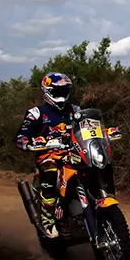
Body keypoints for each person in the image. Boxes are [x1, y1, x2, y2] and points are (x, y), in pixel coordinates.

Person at [15, 71, 120, 238]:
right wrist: (28, 142)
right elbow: (21, 136)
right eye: (57, 91)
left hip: (74, 152)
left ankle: (104, 201)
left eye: (64, 91)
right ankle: (48, 219)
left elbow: (89, 127)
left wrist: (105, 131)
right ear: (47, 91)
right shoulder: (36, 113)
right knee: (50, 175)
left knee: (102, 164)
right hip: (49, 157)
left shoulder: (76, 110)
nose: (62, 95)